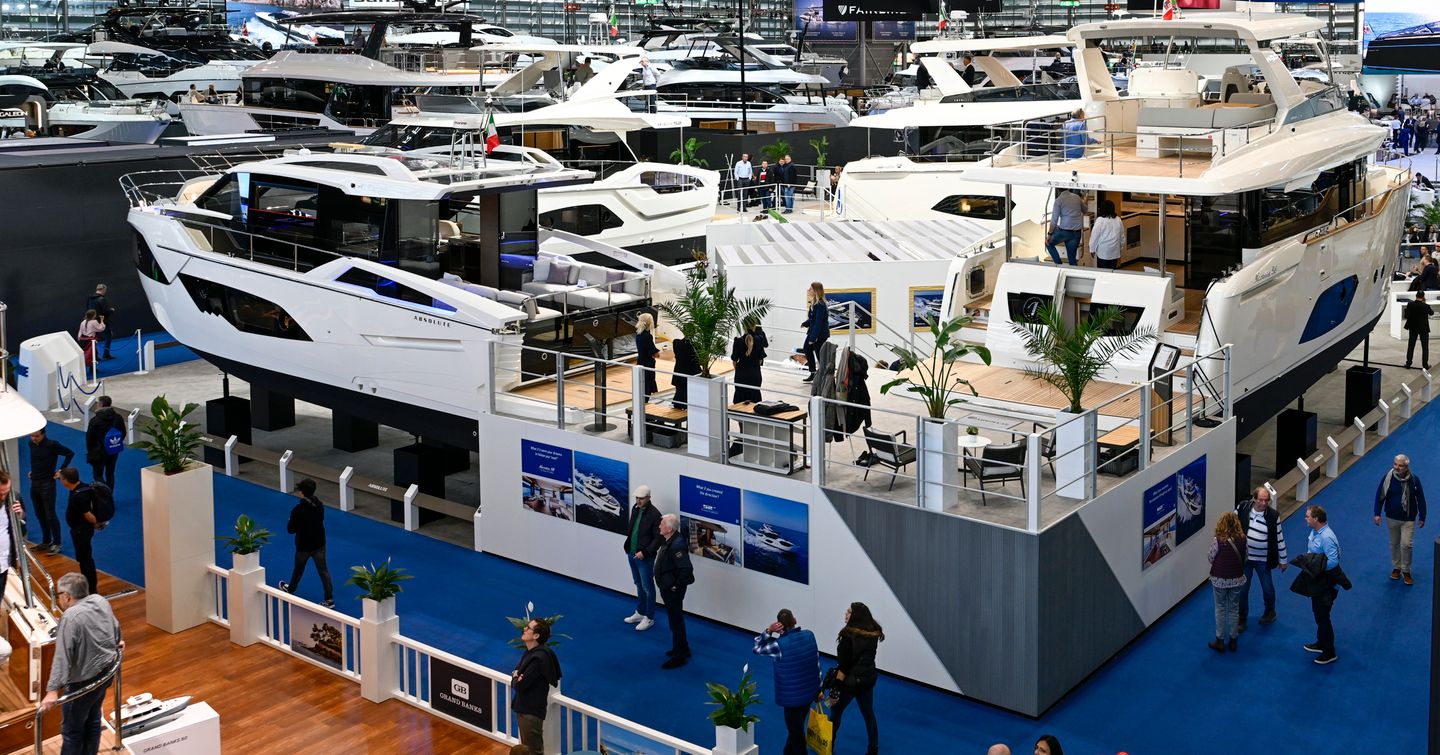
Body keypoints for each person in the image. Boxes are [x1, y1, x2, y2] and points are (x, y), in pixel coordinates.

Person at [39, 573, 121, 755]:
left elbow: (62, 657)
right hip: (105, 674)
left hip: (82, 684)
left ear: (67, 596)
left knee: (72, 732)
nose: (58, 599)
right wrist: (118, 641)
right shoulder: (100, 601)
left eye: (58, 594)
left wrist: (52, 691)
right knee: (93, 721)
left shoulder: (70, 616)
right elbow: (115, 628)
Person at [753, 608, 820, 755]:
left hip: (792, 700)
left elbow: (757, 647)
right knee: (796, 728)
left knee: (796, 734)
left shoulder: (778, 646)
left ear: (779, 627)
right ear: (795, 621)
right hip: (809, 694)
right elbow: (816, 663)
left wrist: (768, 631)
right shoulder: (810, 635)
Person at [829, 602, 883, 755]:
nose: (845, 614)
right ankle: (873, 749)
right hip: (867, 680)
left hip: (850, 683)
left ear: (855, 616)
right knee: (868, 714)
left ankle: (828, 745)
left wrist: (834, 691)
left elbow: (844, 668)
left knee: (836, 710)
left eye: (848, 612)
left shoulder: (848, 637)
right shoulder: (872, 633)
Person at [1236, 487, 1288, 629]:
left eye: (1266, 500)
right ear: (1254, 499)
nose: (1264, 503)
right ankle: (1241, 618)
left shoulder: (1273, 516)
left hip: (1263, 560)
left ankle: (1270, 611)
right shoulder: (1242, 508)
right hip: (1246, 559)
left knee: (1267, 588)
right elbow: (1232, 523)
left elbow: (1279, 539)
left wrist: (1283, 560)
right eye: (1261, 500)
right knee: (1242, 590)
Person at [278, 479, 334, 608]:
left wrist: (292, 521)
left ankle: (291, 589)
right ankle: (329, 600)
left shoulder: (297, 510)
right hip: (319, 544)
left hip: (303, 546)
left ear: (301, 493)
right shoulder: (320, 505)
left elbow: (290, 530)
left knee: (298, 569)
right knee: (323, 571)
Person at [1373, 454, 1426, 585]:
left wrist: (1422, 516)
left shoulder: (1414, 480)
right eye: (1395, 464)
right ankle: (1397, 567)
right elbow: (1380, 495)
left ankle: (1406, 570)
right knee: (1394, 544)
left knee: (1406, 545)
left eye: (1400, 465)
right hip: (1391, 517)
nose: (1397, 467)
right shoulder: (1388, 478)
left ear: (1406, 467)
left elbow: (1421, 499)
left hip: (1409, 519)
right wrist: (1377, 513)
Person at [1300, 505, 1344, 664]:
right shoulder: (1315, 531)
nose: (1305, 518)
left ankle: (1329, 651)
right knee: (1318, 613)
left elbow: (1333, 561)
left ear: (1316, 519)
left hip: (1326, 584)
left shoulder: (1326, 537)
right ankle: (1321, 642)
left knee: (1323, 617)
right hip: (1318, 581)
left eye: (1308, 516)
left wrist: (1314, 567)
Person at [511, 617, 561, 752]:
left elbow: (519, 684)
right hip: (526, 708)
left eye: (528, 628)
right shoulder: (531, 653)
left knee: (532, 751)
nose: (524, 629)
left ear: (536, 635)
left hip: (530, 712)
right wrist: (517, 677)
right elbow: (517, 677)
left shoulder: (538, 659)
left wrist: (516, 677)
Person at [654, 513, 694, 668]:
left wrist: (675, 586)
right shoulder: (670, 540)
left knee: (676, 622)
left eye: (662, 524)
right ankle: (683, 648)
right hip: (668, 588)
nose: (659, 526)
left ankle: (679, 657)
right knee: (675, 620)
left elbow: (686, 569)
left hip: (672, 591)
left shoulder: (676, 545)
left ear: (669, 529)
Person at [27, 427, 74, 555]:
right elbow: (36, 460)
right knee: (39, 514)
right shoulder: (31, 444)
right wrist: (33, 471)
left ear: (43, 434)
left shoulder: (52, 445)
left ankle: (57, 543)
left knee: (50, 514)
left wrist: (61, 470)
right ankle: (46, 541)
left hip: (48, 484)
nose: (33, 438)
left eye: (36, 436)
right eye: (32, 436)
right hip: (35, 483)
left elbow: (70, 453)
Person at [621, 485, 661, 633]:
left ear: (649, 498)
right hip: (631, 553)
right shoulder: (635, 508)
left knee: (648, 588)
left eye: (641, 498)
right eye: (637, 498)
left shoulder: (655, 515)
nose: (638, 501)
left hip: (645, 557)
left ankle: (649, 617)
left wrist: (645, 552)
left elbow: (658, 539)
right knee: (638, 583)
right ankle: (640, 611)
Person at [1206, 511, 1247, 652]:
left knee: (1220, 608)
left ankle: (1220, 640)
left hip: (1219, 579)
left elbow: (1210, 557)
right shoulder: (1243, 539)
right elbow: (1245, 556)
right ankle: (1233, 640)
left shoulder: (1218, 540)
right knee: (1234, 609)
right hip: (1236, 579)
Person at [57, 467, 101, 595]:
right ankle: (89, 586)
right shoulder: (83, 487)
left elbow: (88, 515)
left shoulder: (78, 497)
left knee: (85, 559)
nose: (60, 480)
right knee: (84, 558)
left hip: (81, 531)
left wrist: (96, 523)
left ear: (66, 481)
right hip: (82, 529)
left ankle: (91, 589)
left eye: (61, 479)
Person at [84, 396, 124, 493]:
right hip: (113, 450)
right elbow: (123, 432)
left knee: (97, 475)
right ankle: (109, 495)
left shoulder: (95, 420)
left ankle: (104, 494)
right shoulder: (118, 417)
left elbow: (90, 439)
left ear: (100, 405)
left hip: (99, 452)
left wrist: (91, 452)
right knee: (110, 474)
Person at [731, 318, 768, 403]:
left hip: (741, 375)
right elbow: (760, 360)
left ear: (743, 326)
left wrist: (739, 370)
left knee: (740, 401)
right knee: (754, 399)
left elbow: (734, 361)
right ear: (754, 326)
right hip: (755, 375)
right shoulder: (760, 340)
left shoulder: (738, 341)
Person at [1046, 189, 1085, 265]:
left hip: (1064, 232)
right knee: (1072, 259)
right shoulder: (1077, 197)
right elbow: (1085, 210)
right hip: (1077, 233)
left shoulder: (1058, 200)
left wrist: (1049, 234)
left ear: (1058, 190)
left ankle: (1059, 265)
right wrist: (1085, 200)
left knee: (1048, 243)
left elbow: (1054, 220)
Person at [0, 472, 26, 587]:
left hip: (5, 561)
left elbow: (23, 521)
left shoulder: (14, 497)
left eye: (6, 492)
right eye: (0, 493)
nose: (3, 497)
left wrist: (19, 514)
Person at [801, 282, 830, 383]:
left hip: (819, 334)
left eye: (811, 289)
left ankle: (824, 377)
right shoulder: (814, 303)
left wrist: (813, 338)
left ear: (816, 291)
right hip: (813, 331)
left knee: (819, 355)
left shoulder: (820, 305)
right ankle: (813, 373)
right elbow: (813, 319)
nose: (809, 290)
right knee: (807, 349)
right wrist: (805, 323)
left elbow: (818, 323)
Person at [1089, 199, 1124, 269]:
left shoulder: (1100, 220)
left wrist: (1092, 249)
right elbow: (1122, 236)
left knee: (1102, 273)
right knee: (1112, 272)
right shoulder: (1118, 220)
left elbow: (1094, 236)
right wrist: (1120, 247)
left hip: (1103, 252)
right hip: (1114, 252)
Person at [1403, 291, 1433, 370]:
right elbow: (1431, 313)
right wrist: (1425, 303)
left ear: (1416, 296)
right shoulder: (1426, 306)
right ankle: (1425, 365)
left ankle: (1408, 364)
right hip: (1423, 329)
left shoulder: (1410, 304)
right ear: (1423, 297)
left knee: (1411, 346)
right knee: (1425, 347)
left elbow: (1407, 315)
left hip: (1413, 327)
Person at [85, 284, 115, 360]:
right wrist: (111, 310)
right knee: (108, 337)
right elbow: (106, 311)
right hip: (103, 321)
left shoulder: (89, 298)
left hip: (92, 322)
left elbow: (87, 309)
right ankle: (106, 354)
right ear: (103, 290)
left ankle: (95, 356)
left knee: (93, 339)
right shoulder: (102, 299)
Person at [670, 337, 701, 409]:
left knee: (680, 391)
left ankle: (678, 405)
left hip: (679, 371)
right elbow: (699, 360)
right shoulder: (696, 346)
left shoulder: (676, 342)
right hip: (691, 372)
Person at [634, 313, 660, 400]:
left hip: (640, 360)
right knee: (647, 384)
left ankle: (642, 402)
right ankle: (645, 403)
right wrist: (657, 353)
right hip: (648, 363)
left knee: (642, 383)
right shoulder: (647, 336)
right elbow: (654, 352)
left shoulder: (638, 334)